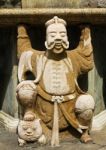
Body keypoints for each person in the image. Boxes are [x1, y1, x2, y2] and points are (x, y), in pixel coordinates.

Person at [16, 16, 95, 146]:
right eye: (52, 35)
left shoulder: (74, 57)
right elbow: (24, 51)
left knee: (87, 102)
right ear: (46, 40)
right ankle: (29, 115)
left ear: (67, 38)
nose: (58, 38)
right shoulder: (38, 58)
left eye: (62, 34)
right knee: (25, 89)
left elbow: (86, 57)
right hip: (44, 108)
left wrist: (85, 32)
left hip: (69, 108)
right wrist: (22, 31)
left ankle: (84, 132)